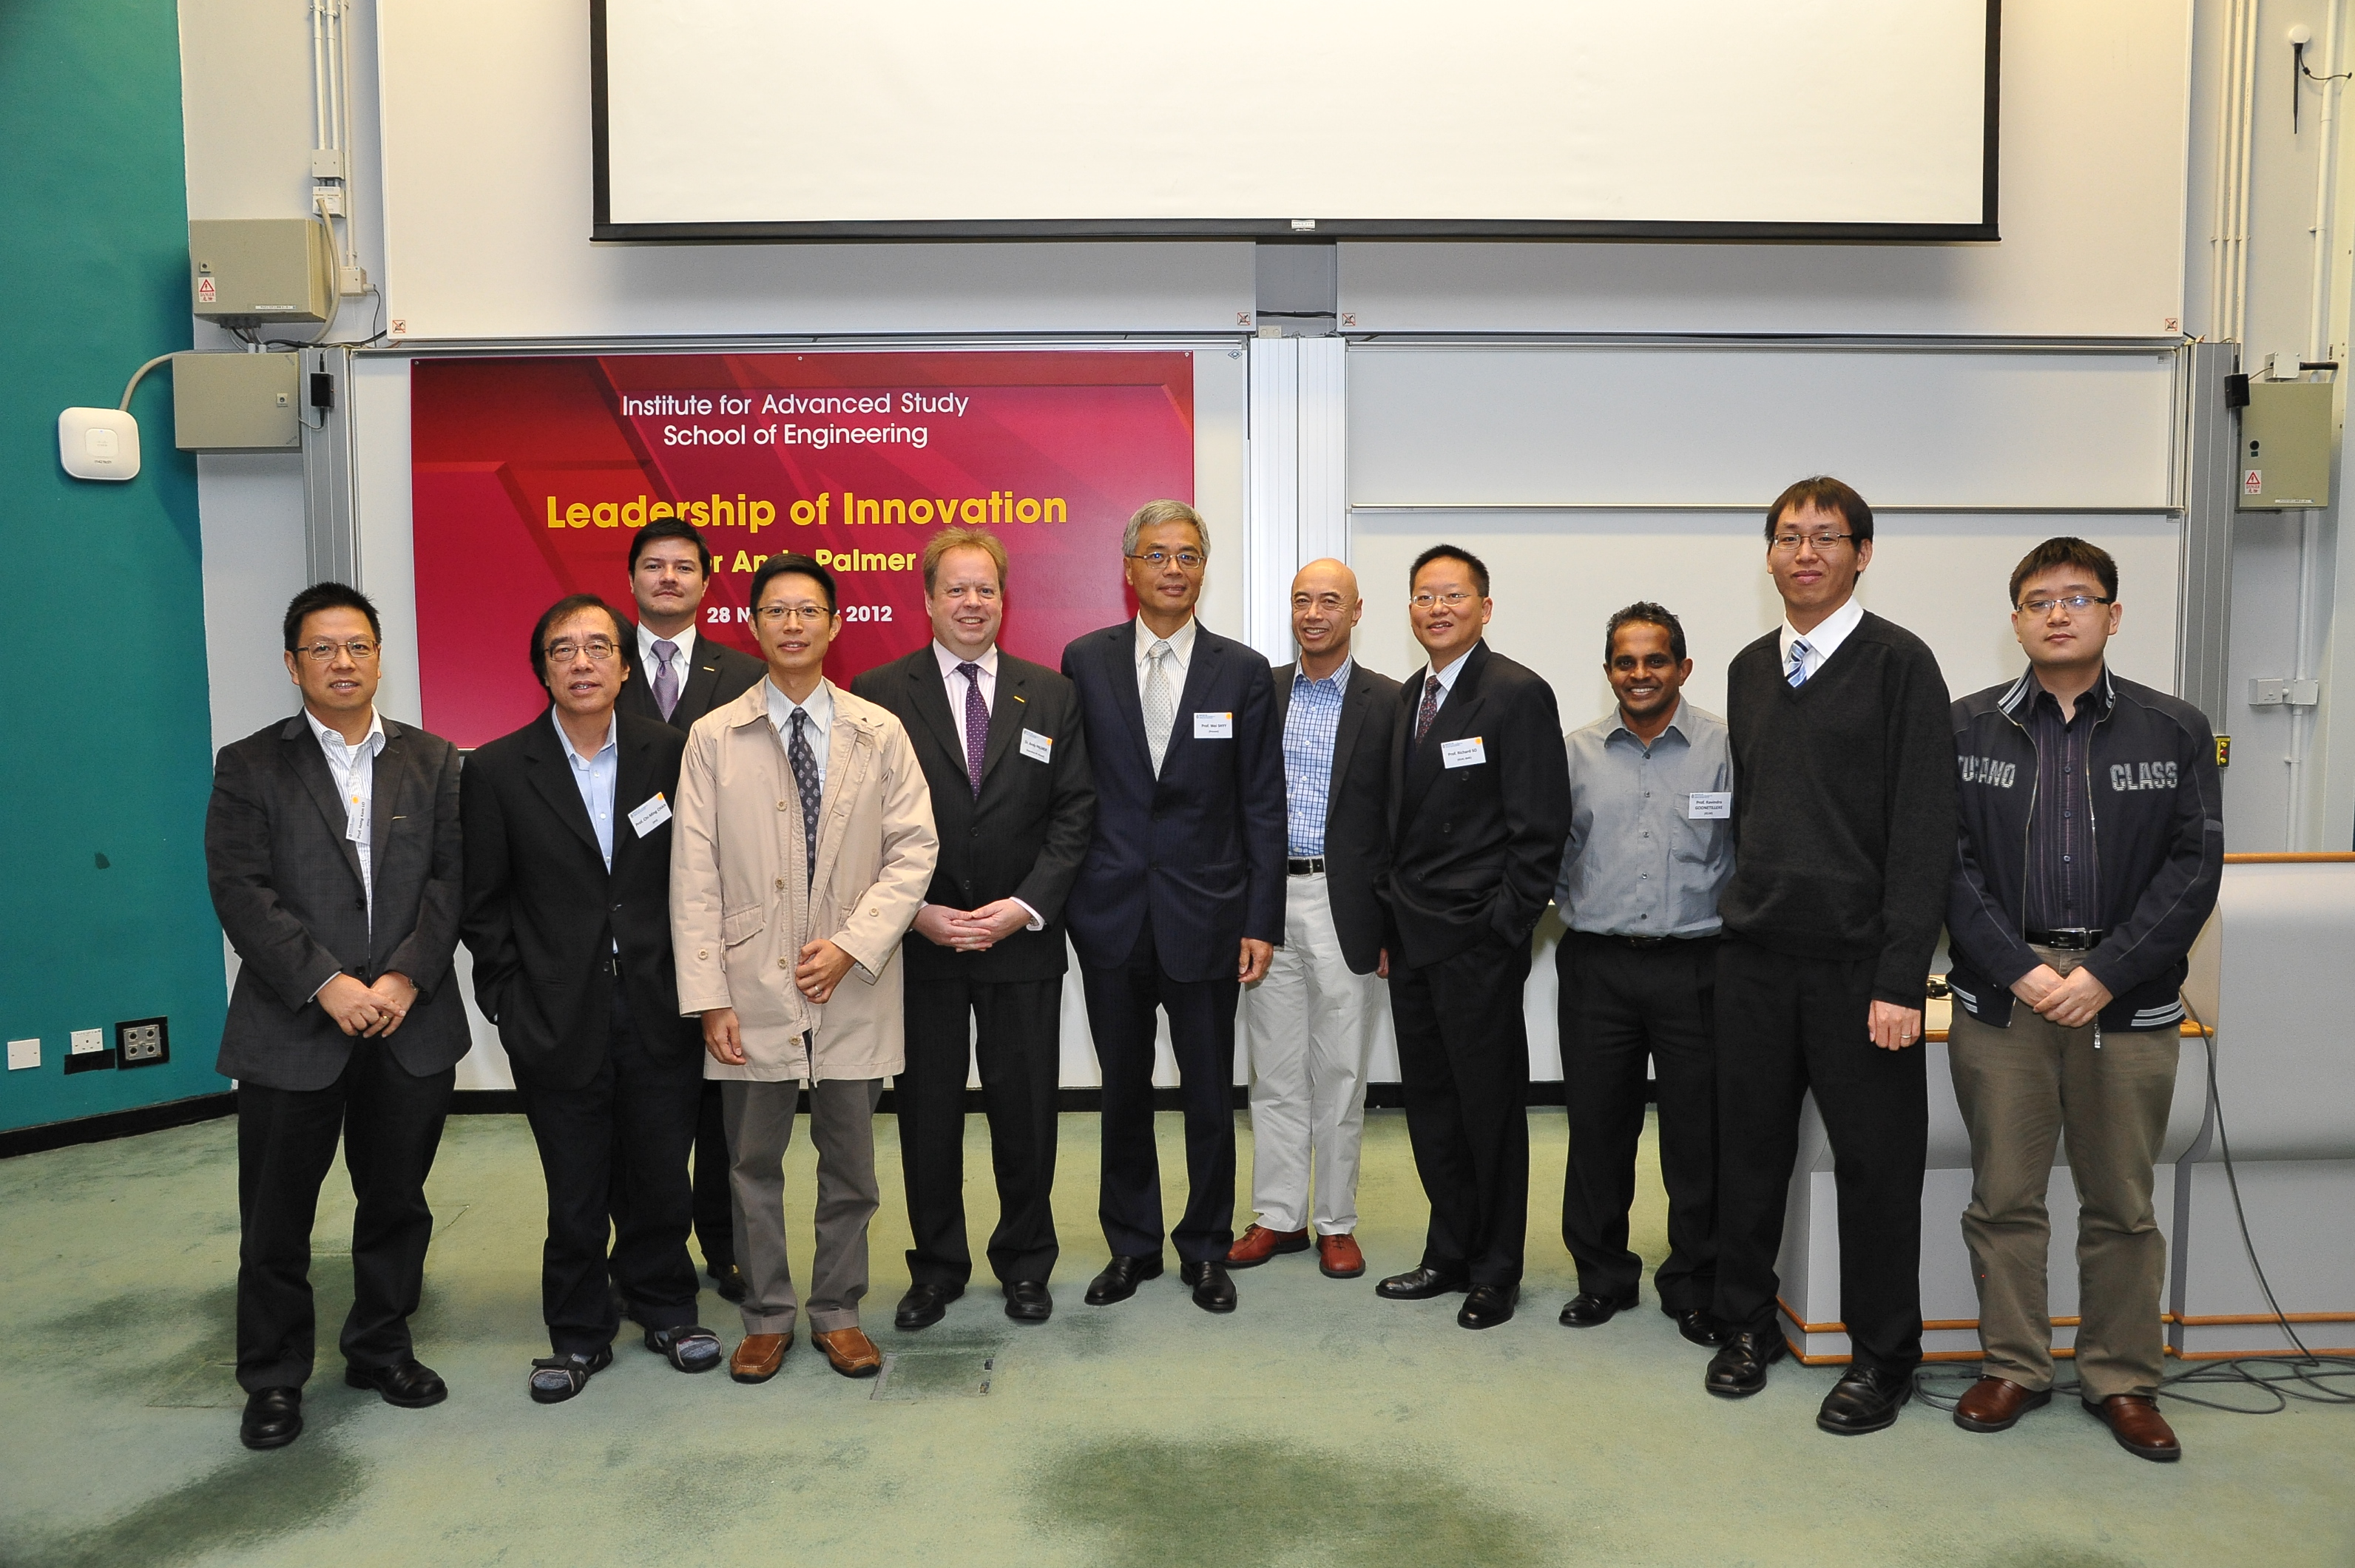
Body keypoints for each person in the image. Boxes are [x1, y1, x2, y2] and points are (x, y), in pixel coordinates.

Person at [1945, 538, 2222, 1461]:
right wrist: (2019, 968)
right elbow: (1947, 865)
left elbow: (2194, 869)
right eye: (2037, 599)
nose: (2057, 613)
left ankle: (2120, 1378)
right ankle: (2014, 1364)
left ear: (2112, 613)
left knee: (2121, 1203)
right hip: (2002, 995)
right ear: (2015, 618)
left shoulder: (2173, 727)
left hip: (2127, 1000)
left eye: (2078, 597)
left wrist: (2104, 972)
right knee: (2004, 1197)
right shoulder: (1965, 727)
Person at [1704, 476, 1956, 1436]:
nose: (1805, 552)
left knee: (1877, 1170)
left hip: (1864, 975)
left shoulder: (1900, 663)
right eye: (1789, 537)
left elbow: (1926, 829)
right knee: (1749, 1158)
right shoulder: (1746, 667)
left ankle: (1883, 1357)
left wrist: (1901, 976)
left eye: (1826, 537)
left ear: (1862, 553)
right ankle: (1744, 1327)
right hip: (1757, 959)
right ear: (1768, 555)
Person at [205, 583, 468, 1451]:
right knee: (276, 1216)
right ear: (292, 664)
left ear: (380, 656)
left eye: (357, 645)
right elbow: (241, 890)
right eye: (322, 649)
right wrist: (327, 983)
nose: (342, 662)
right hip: (292, 1027)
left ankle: (379, 1345)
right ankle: (274, 1377)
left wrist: (401, 980)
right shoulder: (249, 765)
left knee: (396, 1202)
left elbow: (451, 885)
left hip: (408, 1021)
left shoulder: (434, 760)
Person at [671, 552, 937, 1384]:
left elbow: (914, 849)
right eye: (776, 611)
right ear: (752, 627)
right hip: (751, 986)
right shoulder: (714, 736)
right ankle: (766, 1314)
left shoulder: (877, 729)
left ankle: (838, 1309)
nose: (792, 624)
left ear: (834, 625)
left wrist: (855, 942)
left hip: (852, 976)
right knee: (750, 1163)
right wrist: (709, 995)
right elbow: (693, 872)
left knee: (850, 1160)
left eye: (808, 611)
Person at [460, 594, 720, 1403]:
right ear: (542, 668)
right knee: (573, 1185)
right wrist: (509, 996)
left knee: (660, 1173)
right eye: (564, 649)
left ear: (624, 663)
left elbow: (703, 875)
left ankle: (668, 1307)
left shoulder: (669, 753)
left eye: (598, 647)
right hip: (554, 1013)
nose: (582, 662)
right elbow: (483, 902)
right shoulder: (499, 768)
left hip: (657, 1003)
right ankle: (576, 1332)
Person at [851, 527, 1095, 1329]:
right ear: (926, 599)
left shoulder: (1049, 693)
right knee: (927, 1115)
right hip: (918, 944)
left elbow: (1074, 814)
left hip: (1019, 939)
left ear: (1004, 598)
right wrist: (911, 913)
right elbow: (860, 824)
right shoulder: (880, 691)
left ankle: (1026, 1263)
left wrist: (1023, 906)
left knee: (1025, 1110)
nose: (970, 603)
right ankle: (937, 1268)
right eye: (954, 589)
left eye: (984, 588)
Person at [1060, 500, 1286, 1314]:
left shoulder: (1242, 669)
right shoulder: (1083, 661)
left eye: (1188, 555)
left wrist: (1262, 919)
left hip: (1210, 914)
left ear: (1203, 568)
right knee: (1121, 1089)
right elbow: (1071, 793)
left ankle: (1204, 1246)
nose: (1172, 568)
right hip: (1111, 911)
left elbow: (1263, 801)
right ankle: (1131, 1244)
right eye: (1156, 555)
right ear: (1128, 568)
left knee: (1206, 1095)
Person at [1374, 544, 1570, 1331]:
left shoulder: (1516, 693)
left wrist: (1503, 930)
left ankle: (1496, 1269)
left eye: (1452, 595)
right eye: (1423, 596)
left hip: (1475, 942)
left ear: (1484, 608)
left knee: (1487, 1108)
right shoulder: (1404, 699)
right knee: (1430, 1106)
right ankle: (1447, 1249)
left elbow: (1539, 828)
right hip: (1412, 942)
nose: (1436, 608)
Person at [1553, 602, 1731, 1345]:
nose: (1639, 674)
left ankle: (1692, 1282)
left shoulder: (1727, 748)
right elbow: (1553, 848)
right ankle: (1601, 1277)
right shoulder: (1576, 751)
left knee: (1699, 1137)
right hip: (1597, 965)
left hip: (1698, 963)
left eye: (1654, 659)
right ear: (1608, 673)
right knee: (1598, 1128)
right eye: (1624, 662)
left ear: (1682, 667)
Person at [1230, 559, 1399, 1282]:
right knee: (1272, 1073)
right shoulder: (1258, 690)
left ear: (1356, 611)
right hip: (1268, 904)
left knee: (1339, 1070)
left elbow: (1400, 820)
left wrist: (1392, 923)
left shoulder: (1389, 701)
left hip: (1347, 906)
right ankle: (1277, 1216)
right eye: (1302, 600)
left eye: (1329, 601)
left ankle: (1335, 1220)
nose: (1314, 613)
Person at [615, 517, 765, 1304]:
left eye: (683, 568)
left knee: (721, 1103)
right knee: (640, 1105)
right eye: (653, 566)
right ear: (632, 578)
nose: (668, 578)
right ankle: (643, 1246)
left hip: (724, 911)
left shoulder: (743, 669)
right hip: (630, 916)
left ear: (709, 583)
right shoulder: (597, 660)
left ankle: (725, 1243)